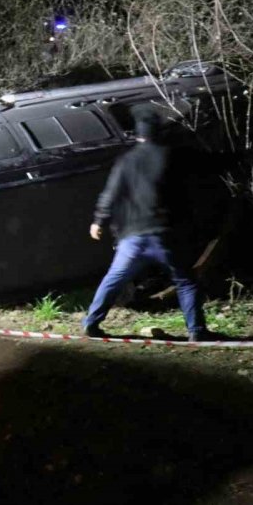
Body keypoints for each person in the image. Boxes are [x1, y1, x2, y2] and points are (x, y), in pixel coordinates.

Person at [81, 103, 211, 342]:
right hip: (164, 235)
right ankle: (197, 331)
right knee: (186, 281)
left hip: (132, 236)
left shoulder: (126, 161)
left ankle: (91, 323)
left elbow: (110, 194)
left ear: (137, 134)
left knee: (114, 279)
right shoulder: (171, 157)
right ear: (159, 132)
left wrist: (98, 221)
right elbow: (188, 192)